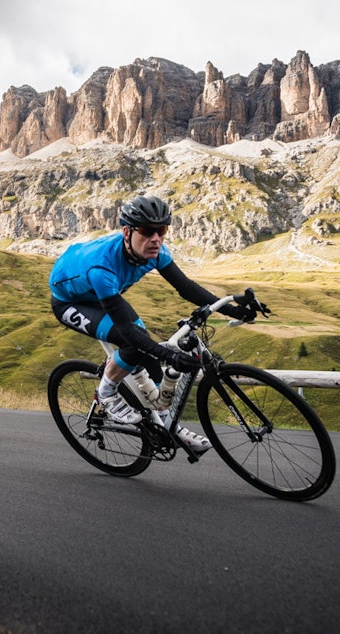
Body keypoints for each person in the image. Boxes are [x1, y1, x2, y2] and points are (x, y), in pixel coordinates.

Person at [48, 193, 252, 451]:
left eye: (162, 230)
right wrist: (170, 355)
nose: (155, 238)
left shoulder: (156, 251)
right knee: (133, 341)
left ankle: (168, 427)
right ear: (127, 232)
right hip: (70, 302)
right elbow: (126, 332)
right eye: (146, 231)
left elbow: (186, 288)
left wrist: (235, 311)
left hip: (101, 293)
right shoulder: (102, 269)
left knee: (147, 350)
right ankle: (107, 393)